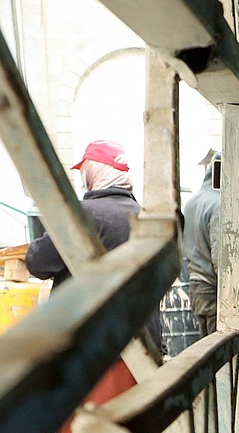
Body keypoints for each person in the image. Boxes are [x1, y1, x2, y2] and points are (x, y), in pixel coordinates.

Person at [26, 138, 163, 352]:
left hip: (93, 351)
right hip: (144, 345)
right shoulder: (146, 216)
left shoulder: (83, 213)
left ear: (92, 173)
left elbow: (37, 263)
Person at [182, 151, 220, 336]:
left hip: (196, 286)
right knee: (220, 354)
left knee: (205, 350)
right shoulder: (219, 203)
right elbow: (220, 256)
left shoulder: (190, 203)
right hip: (213, 288)